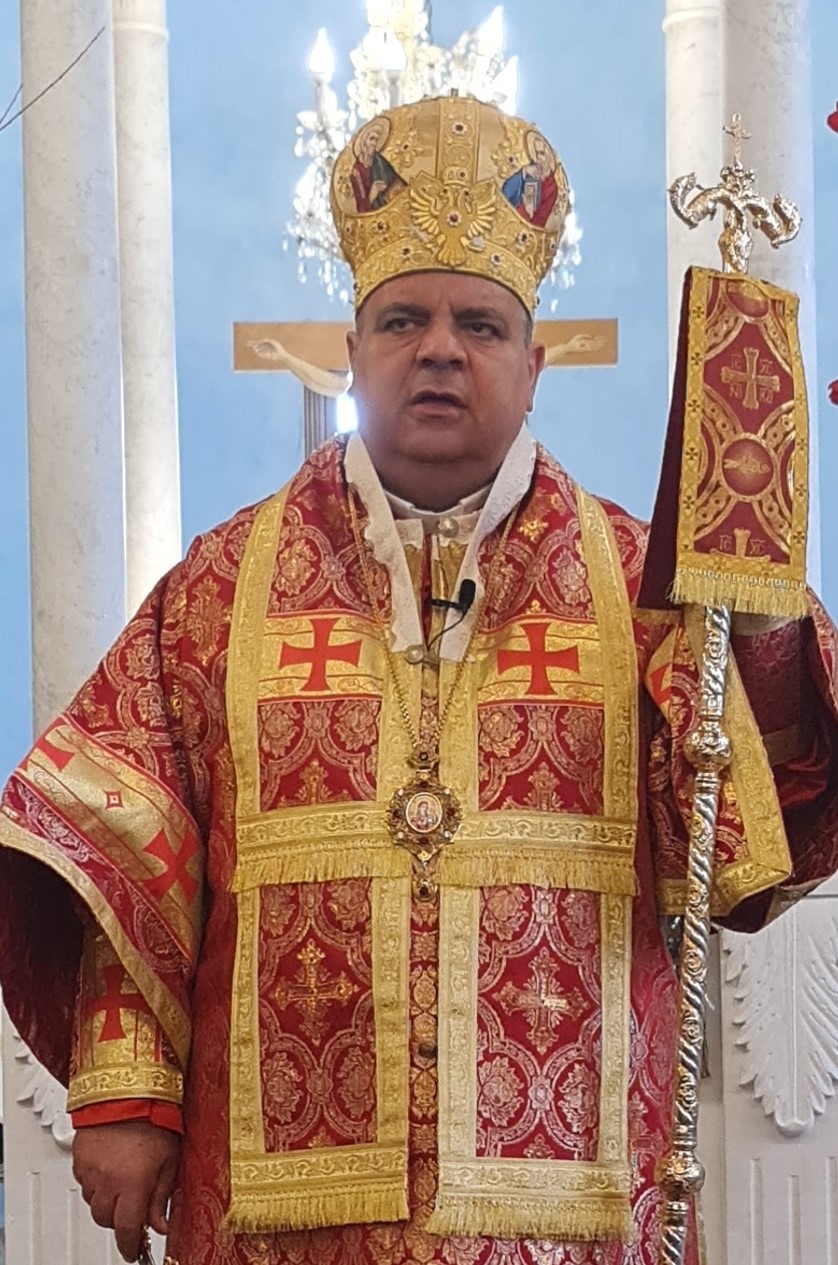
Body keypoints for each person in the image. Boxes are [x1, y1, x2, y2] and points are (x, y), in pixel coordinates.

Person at [1, 94, 837, 1265]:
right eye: (404, 319)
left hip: (573, 1210)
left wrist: (761, 622)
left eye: (479, 324)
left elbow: (754, 841)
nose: (440, 347)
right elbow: (123, 849)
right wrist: (124, 1092)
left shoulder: (647, 591)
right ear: (353, 352)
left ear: (532, 367)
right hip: (280, 1210)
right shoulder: (219, 589)